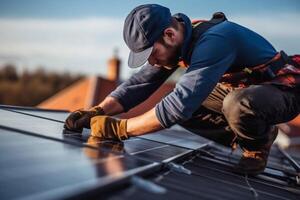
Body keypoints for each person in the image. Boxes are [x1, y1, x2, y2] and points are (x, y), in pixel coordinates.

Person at [65, 4, 300, 175]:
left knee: (234, 104)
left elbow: (179, 105)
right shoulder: (180, 37)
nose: (153, 62)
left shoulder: (215, 40)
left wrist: (120, 129)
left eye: (152, 54)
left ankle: (256, 147)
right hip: (249, 90)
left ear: (169, 35)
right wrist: (97, 111)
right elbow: (139, 84)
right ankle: (253, 135)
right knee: (183, 102)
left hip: (285, 91)